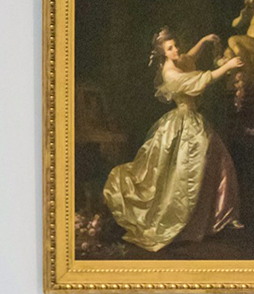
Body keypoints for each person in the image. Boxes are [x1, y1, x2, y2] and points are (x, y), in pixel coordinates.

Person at [103, 27, 244, 252]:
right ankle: (189, 221)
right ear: (163, 53)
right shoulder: (170, 73)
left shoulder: (178, 60)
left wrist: (204, 40)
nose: (176, 49)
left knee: (218, 160)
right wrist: (227, 67)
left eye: (176, 45)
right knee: (184, 172)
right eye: (170, 48)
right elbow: (202, 79)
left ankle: (218, 217)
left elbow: (190, 56)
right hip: (183, 123)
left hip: (193, 121)